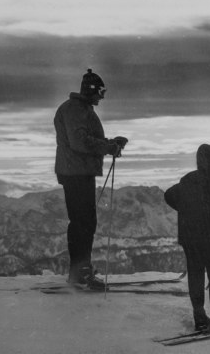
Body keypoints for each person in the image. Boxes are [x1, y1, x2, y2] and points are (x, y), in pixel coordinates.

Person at [54, 69, 128, 289]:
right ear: (91, 90)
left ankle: (80, 270)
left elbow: (83, 139)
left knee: (83, 222)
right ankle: (80, 273)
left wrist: (110, 143)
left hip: (76, 171)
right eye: (101, 91)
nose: (102, 97)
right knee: (83, 223)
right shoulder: (76, 110)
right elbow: (80, 142)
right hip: (76, 172)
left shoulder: (77, 109)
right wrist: (108, 147)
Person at [164, 144, 210, 332]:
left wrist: (187, 209)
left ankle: (199, 316)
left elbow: (169, 195)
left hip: (190, 236)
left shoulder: (188, 179)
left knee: (195, 274)